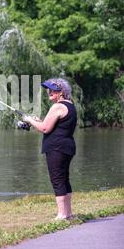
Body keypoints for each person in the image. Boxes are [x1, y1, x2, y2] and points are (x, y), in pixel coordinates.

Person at [22, 78, 77, 220]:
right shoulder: (70, 105)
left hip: (57, 148)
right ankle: (68, 213)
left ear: (62, 92)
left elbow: (45, 129)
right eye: (49, 89)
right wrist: (36, 121)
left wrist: (29, 120)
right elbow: (52, 126)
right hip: (66, 146)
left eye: (53, 90)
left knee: (57, 180)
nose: (50, 92)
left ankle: (61, 215)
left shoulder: (57, 107)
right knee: (64, 179)